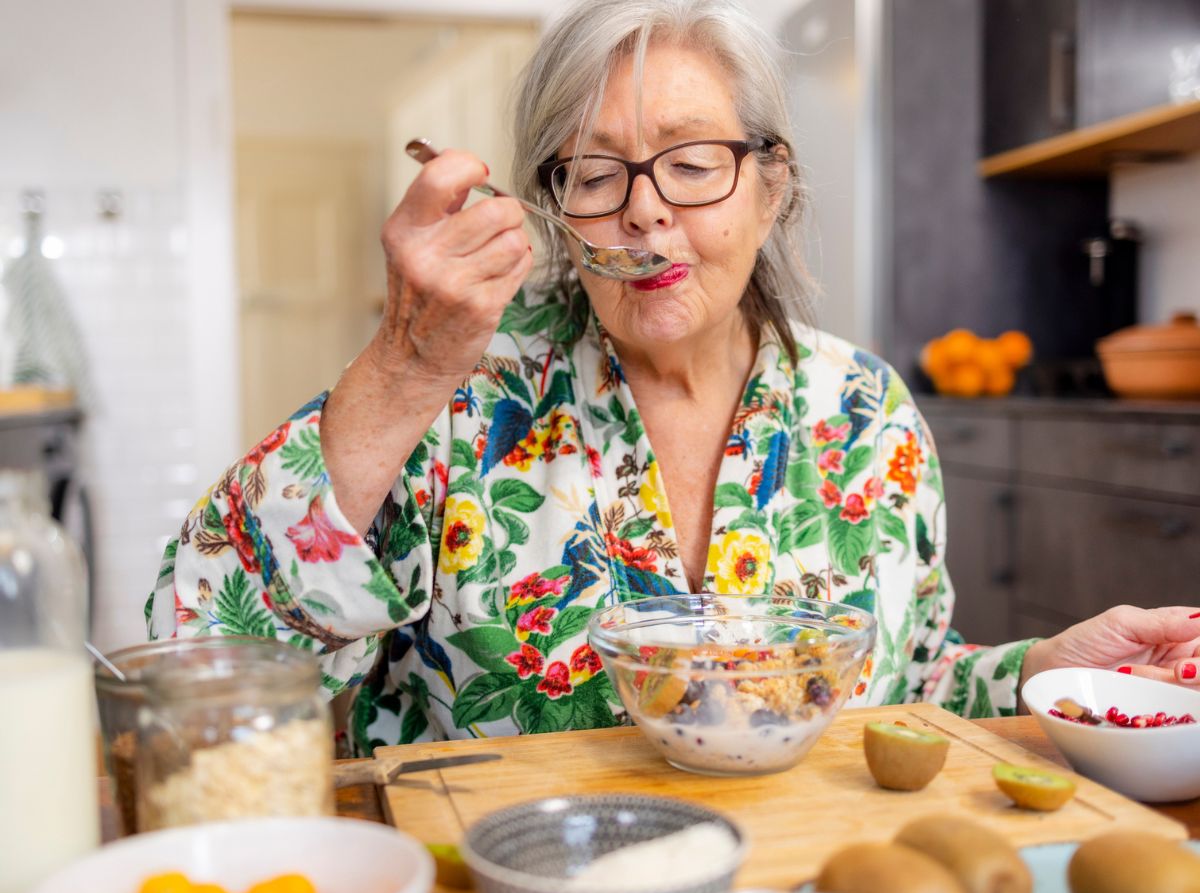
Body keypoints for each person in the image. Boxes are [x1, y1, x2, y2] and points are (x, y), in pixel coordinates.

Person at [149, 0, 1200, 750]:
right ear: (557, 205)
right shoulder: (455, 401)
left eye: (693, 162)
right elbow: (196, 662)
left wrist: (1040, 668)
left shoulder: (867, 411)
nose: (647, 211)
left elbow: (904, 682)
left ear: (770, 183)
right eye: (598, 173)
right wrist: (403, 366)